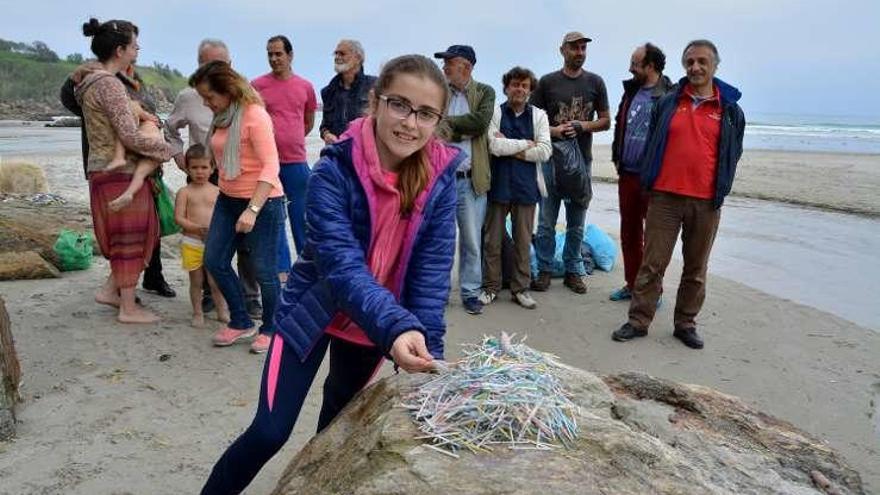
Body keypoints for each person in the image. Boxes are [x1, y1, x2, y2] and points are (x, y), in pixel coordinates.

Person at [200, 54, 459, 494]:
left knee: (333, 433)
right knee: (269, 431)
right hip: (312, 311)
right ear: (375, 102)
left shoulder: (440, 178)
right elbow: (342, 268)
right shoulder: (333, 171)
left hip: (373, 328)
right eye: (399, 105)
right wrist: (397, 326)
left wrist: (428, 347)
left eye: (425, 113)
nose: (410, 123)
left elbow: (430, 273)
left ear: (437, 120)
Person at [611, 40, 745, 349]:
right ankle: (638, 321)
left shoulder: (730, 111)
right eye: (690, 62)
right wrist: (649, 179)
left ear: (715, 66)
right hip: (664, 197)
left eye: (702, 61)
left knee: (696, 269)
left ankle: (685, 323)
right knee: (652, 263)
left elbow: (732, 154)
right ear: (683, 66)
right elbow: (654, 143)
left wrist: (720, 188)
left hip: (706, 201)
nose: (695, 67)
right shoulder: (668, 102)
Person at [73, 17, 173, 323]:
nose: (137, 48)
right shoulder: (109, 84)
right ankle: (128, 308)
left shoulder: (88, 82)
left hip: (100, 168)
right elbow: (129, 135)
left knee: (124, 237)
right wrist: (166, 150)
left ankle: (111, 291)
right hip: (119, 172)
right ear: (120, 50)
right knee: (131, 237)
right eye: (133, 44)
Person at [190, 60, 286, 354]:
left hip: (263, 203)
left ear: (228, 90)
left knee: (265, 272)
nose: (207, 104)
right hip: (227, 198)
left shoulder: (254, 116)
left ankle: (271, 328)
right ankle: (241, 321)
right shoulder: (223, 117)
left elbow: (271, 166)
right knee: (215, 259)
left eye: (210, 97)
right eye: (203, 98)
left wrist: (252, 210)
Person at [164, 38, 263, 318]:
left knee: (246, 240)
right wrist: (179, 157)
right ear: (199, 66)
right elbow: (170, 129)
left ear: (230, 66)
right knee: (207, 238)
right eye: (209, 65)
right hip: (203, 174)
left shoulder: (247, 95)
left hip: (241, 176)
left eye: (221, 65)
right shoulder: (188, 97)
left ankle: (249, 296)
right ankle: (209, 294)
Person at [61, 62, 176, 299]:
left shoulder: (137, 83)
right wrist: (72, 80)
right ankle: (123, 289)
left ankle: (153, 277)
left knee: (148, 227)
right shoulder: (102, 84)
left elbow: (149, 117)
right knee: (123, 234)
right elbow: (72, 101)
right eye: (132, 50)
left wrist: (153, 124)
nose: (134, 58)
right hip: (116, 168)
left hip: (142, 162)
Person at [530, 31, 610, 294]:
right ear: (562, 50)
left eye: (583, 48)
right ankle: (543, 270)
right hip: (551, 163)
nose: (580, 52)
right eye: (574, 47)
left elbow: (606, 120)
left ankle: (573, 270)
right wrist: (555, 131)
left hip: (581, 164)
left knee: (577, 221)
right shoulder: (547, 83)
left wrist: (581, 125)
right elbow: (534, 121)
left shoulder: (595, 82)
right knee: (546, 222)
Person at [481, 67, 551, 310]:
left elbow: (544, 150)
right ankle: (490, 287)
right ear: (506, 87)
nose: (519, 89)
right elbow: (493, 146)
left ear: (530, 89)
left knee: (523, 242)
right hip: (498, 185)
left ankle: (520, 289)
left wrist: (509, 147)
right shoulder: (495, 112)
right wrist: (524, 145)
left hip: (526, 187)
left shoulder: (539, 116)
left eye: (524, 85)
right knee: (492, 241)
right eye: (515, 85)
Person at [433, 44, 495, 315]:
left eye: (450, 62)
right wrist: (454, 127)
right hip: (441, 179)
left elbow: (480, 123)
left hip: (471, 180)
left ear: (466, 67)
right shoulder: (438, 92)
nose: (444, 67)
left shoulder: (485, 92)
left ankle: (470, 292)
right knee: (440, 239)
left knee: (471, 240)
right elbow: (432, 126)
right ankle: (439, 293)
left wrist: (448, 126)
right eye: (444, 62)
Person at [609, 43, 674, 302]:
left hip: (655, 179)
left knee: (654, 238)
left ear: (650, 66)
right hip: (627, 175)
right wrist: (617, 158)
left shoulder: (670, 94)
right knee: (629, 232)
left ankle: (652, 291)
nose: (630, 68)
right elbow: (620, 125)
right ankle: (632, 283)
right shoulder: (631, 91)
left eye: (635, 64)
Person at [252, 35, 318, 263]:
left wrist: (292, 138)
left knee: (301, 218)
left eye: (278, 53)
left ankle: (305, 266)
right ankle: (281, 270)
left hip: (296, 162)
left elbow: (308, 122)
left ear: (290, 55)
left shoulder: (306, 87)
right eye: (270, 54)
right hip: (267, 164)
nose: (274, 58)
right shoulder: (257, 86)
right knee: (274, 219)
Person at [174, 144, 229, 328]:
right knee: (196, 281)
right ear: (187, 168)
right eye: (195, 167)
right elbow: (179, 218)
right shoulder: (185, 192)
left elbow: (223, 217)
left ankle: (222, 310)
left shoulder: (217, 191)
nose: (199, 172)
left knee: (215, 281)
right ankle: (197, 312)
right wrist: (197, 228)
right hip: (192, 242)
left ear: (213, 168)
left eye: (204, 167)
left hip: (213, 242)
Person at [319, 39, 377, 144]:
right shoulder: (328, 91)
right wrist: (326, 134)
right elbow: (324, 126)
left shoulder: (375, 86)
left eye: (342, 54)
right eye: (335, 54)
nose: (337, 57)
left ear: (358, 58)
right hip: (337, 153)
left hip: (365, 152)